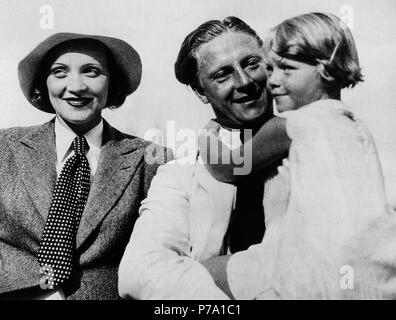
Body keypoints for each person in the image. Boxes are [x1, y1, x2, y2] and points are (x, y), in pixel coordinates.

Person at [203, 12, 396, 299]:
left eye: (287, 69)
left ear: (325, 69)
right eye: (270, 70)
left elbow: (228, 167)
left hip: (312, 272)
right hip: (368, 273)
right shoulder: (354, 125)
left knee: (194, 273)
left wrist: (209, 133)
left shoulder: (298, 124)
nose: (272, 82)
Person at [118, 16, 291, 299]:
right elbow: (140, 272)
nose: (245, 81)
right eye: (223, 74)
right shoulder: (179, 176)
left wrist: (217, 272)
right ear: (200, 92)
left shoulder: (309, 145)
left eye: (251, 63)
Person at [0, 33, 170, 300]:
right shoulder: (4, 148)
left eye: (92, 72)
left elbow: (161, 255)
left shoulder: (152, 159)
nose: (76, 86)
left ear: (112, 83)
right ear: (43, 84)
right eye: (59, 72)